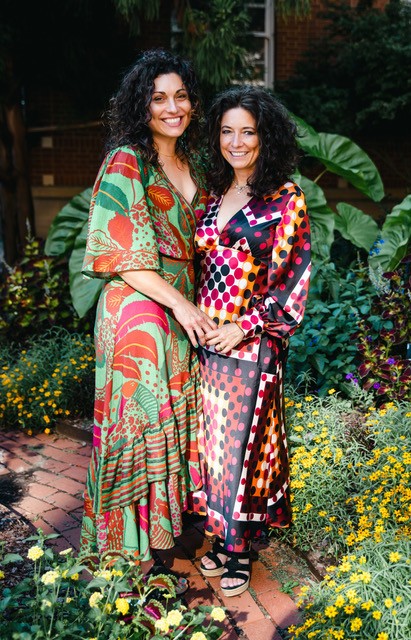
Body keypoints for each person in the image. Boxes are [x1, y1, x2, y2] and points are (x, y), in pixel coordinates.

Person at [79, 50, 216, 592]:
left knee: (168, 424)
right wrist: (181, 306)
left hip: (181, 309)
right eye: (159, 97)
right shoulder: (126, 161)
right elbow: (124, 252)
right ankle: (128, 569)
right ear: (141, 104)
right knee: (140, 425)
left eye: (180, 95)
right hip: (138, 309)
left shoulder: (196, 162)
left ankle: (156, 555)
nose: (172, 106)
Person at [189, 87, 311, 597]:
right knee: (212, 448)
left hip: (250, 345)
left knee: (243, 449)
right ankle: (221, 537)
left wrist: (243, 326)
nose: (236, 141)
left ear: (266, 137)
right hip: (205, 344)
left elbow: (293, 280)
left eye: (248, 131)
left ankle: (238, 549)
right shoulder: (213, 195)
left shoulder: (286, 198)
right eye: (227, 131)